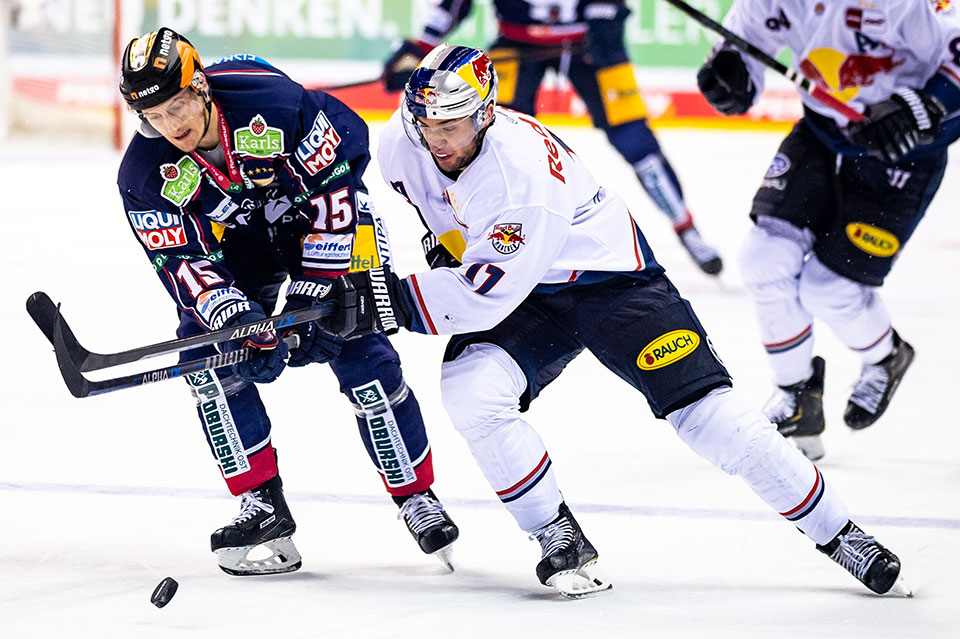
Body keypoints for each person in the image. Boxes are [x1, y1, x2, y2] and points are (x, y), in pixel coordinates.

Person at [320, 43, 910, 599]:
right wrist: (372, 267)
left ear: (486, 115)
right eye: (425, 123)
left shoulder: (521, 178)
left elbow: (484, 297)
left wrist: (380, 299)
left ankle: (841, 534)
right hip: (522, 288)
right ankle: (558, 536)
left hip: (610, 284)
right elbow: (389, 205)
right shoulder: (407, 140)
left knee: (712, 420)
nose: (436, 139)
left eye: (451, 126)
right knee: (471, 394)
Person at [116, 28, 459, 576]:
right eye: (154, 116)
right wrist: (239, 318)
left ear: (200, 86)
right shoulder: (144, 173)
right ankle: (262, 505)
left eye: (177, 104)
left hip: (328, 220)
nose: (170, 125)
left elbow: (339, 178)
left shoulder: (266, 100)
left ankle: (416, 496)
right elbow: (183, 262)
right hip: (243, 246)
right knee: (207, 358)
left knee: (356, 343)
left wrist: (314, 288)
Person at [696, 0, 960, 461]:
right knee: (762, 260)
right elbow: (746, 44)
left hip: (904, 152)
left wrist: (924, 104)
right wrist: (732, 77)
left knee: (829, 289)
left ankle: (886, 356)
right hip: (822, 134)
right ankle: (796, 395)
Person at [382, 0, 724, 275]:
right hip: (517, 42)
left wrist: (608, 11)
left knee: (634, 139)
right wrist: (421, 47)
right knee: (486, 139)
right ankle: (476, 231)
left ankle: (685, 227)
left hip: (592, 44)